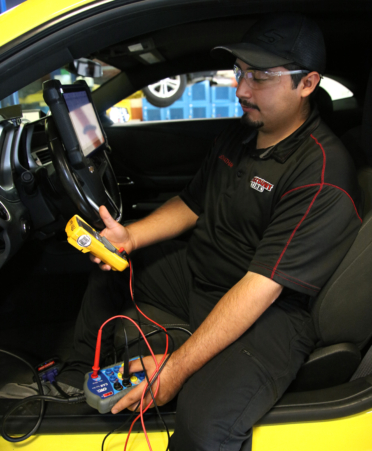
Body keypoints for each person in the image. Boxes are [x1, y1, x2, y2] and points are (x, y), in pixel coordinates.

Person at [1, 12, 362, 451]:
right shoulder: (241, 135)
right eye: (240, 72)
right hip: (203, 274)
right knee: (115, 262)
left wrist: (173, 372)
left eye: (261, 76)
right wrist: (129, 238)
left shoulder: (321, 172)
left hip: (271, 314)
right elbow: (192, 203)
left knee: (206, 429)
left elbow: (260, 288)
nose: (241, 89)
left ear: (307, 84)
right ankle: (80, 375)